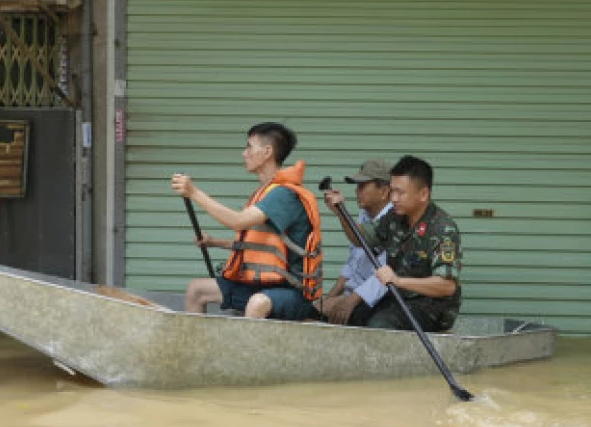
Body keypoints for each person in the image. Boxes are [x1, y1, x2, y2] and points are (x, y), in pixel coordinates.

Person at [171, 122, 322, 320]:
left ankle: (246, 351)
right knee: (196, 289)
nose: (244, 153)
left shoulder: (284, 194)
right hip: (258, 287)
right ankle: (195, 349)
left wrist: (194, 192)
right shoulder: (263, 193)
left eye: (249, 146)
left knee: (257, 303)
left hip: (291, 294)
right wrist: (214, 242)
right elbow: (258, 244)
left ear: (267, 152)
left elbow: (238, 221)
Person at [324, 155, 462, 332]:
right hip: (397, 299)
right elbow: (362, 239)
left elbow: (447, 286)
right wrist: (340, 213)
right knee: (349, 315)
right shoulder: (395, 218)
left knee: (380, 326)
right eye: (392, 191)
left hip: (431, 306)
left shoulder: (443, 229)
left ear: (424, 194)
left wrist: (398, 281)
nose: (394, 198)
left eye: (401, 192)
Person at [318, 159, 393, 326]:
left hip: (376, 300)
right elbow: (352, 265)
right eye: (357, 186)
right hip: (354, 295)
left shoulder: (394, 221)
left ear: (384, 191)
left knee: (308, 314)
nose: (357, 191)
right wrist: (330, 298)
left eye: (363, 186)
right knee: (312, 312)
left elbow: (386, 276)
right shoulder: (364, 216)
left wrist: (349, 301)